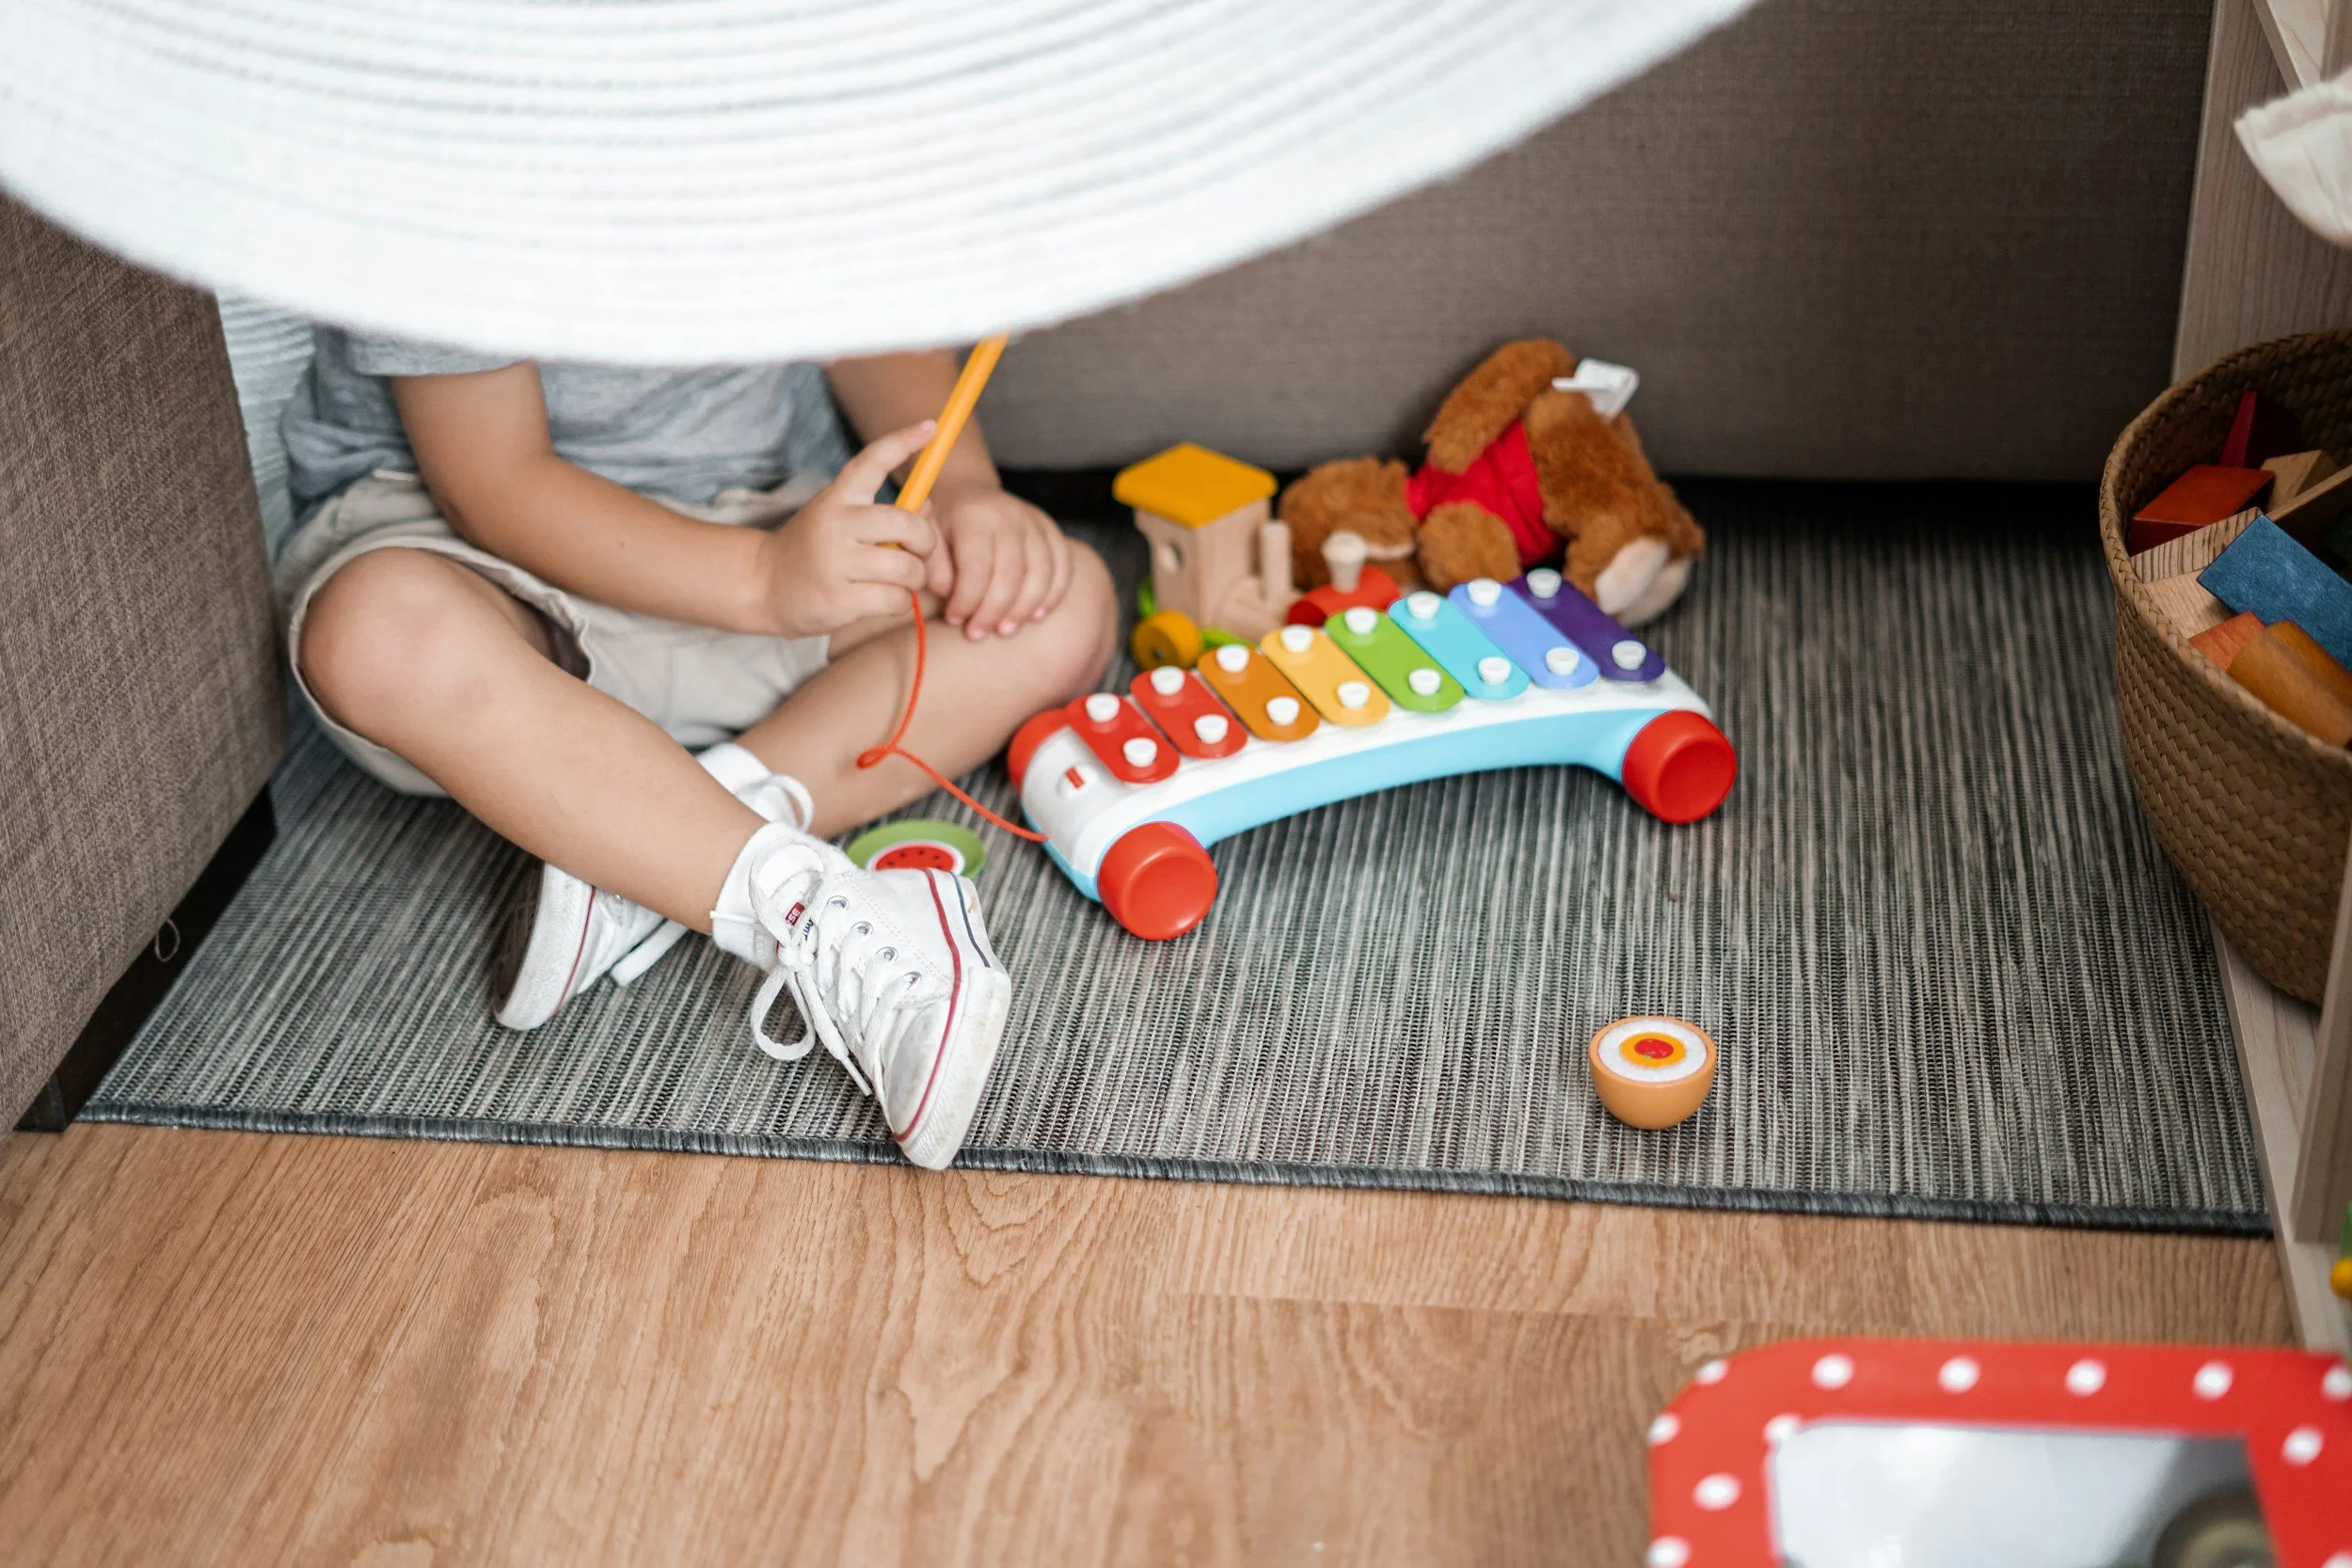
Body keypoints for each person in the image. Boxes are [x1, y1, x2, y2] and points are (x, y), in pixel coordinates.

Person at [275, 336, 1118, 1168]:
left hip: (757, 519)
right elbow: (494, 482)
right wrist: (761, 579)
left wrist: (966, 490)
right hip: (476, 555)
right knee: (375, 635)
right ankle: (794, 898)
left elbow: (866, 327)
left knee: (1062, 601)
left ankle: (650, 848)